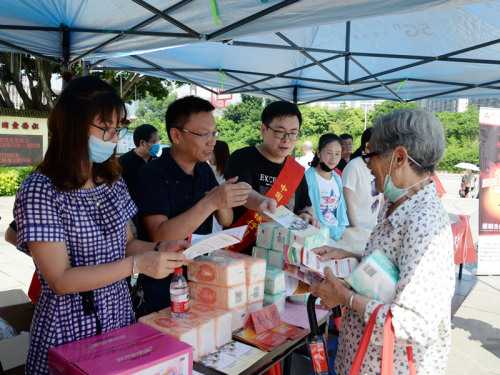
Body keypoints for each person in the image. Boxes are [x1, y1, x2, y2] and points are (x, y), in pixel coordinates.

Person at [13, 73, 191, 375]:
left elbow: (127, 244)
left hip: (118, 312)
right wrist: (138, 265)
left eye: (117, 129)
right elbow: (60, 280)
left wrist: (160, 248)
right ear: (73, 126)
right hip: (68, 324)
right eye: (106, 129)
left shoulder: (111, 180)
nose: (114, 137)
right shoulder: (40, 189)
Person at [309, 109, 455, 375]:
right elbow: (393, 276)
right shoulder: (400, 206)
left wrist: (345, 297)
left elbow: (415, 323)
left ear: (399, 158)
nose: (366, 165)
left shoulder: (424, 224)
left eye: (370, 155)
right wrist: (353, 257)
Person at [134, 96, 251, 315]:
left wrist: (223, 198)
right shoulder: (152, 174)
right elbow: (160, 235)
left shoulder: (204, 169)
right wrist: (211, 202)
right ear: (176, 135)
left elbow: (225, 220)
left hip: (202, 275)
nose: (212, 141)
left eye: (214, 133)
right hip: (164, 283)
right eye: (203, 134)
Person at [226, 101, 320, 254]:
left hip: (282, 254)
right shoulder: (242, 157)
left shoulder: (295, 170)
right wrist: (263, 202)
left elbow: (306, 206)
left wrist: (308, 216)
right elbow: (243, 192)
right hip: (241, 253)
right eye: (279, 132)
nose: (287, 139)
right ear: (263, 129)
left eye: (293, 133)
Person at [304, 134, 348, 241]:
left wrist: (341, 229)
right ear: (318, 153)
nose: (333, 158)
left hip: (338, 235)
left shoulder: (337, 177)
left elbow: (341, 208)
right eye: (329, 153)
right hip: (317, 236)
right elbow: (308, 212)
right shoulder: (308, 177)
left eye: (337, 154)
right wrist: (332, 232)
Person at [342, 127, 382, 232]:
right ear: (368, 144)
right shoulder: (354, 166)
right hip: (353, 232)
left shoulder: (379, 167)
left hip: (371, 231)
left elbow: (380, 200)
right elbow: (347, 204)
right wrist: (357, 232)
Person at [119, 124, 159, 228]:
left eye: (158, 141)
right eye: (154, 142)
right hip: (132, 215)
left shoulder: (156, 161)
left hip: (154, 211)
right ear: (142, 143)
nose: (157, 145)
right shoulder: (124, 162)